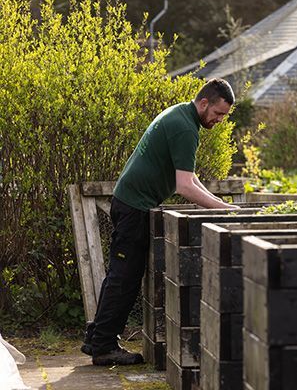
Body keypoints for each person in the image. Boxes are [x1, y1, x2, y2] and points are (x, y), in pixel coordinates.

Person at [81, 78, 240, 365]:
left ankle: (96, 339)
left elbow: (191, 178)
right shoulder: (184, 128)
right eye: (218, 114)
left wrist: (221, 205)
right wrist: (226, 211)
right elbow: (184, 187)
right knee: (124, 278)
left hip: (129, 202)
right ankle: (103, 346)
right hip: (134, 206)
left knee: (119, 274)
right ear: (204, 103)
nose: (219, 120)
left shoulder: (182, 115)